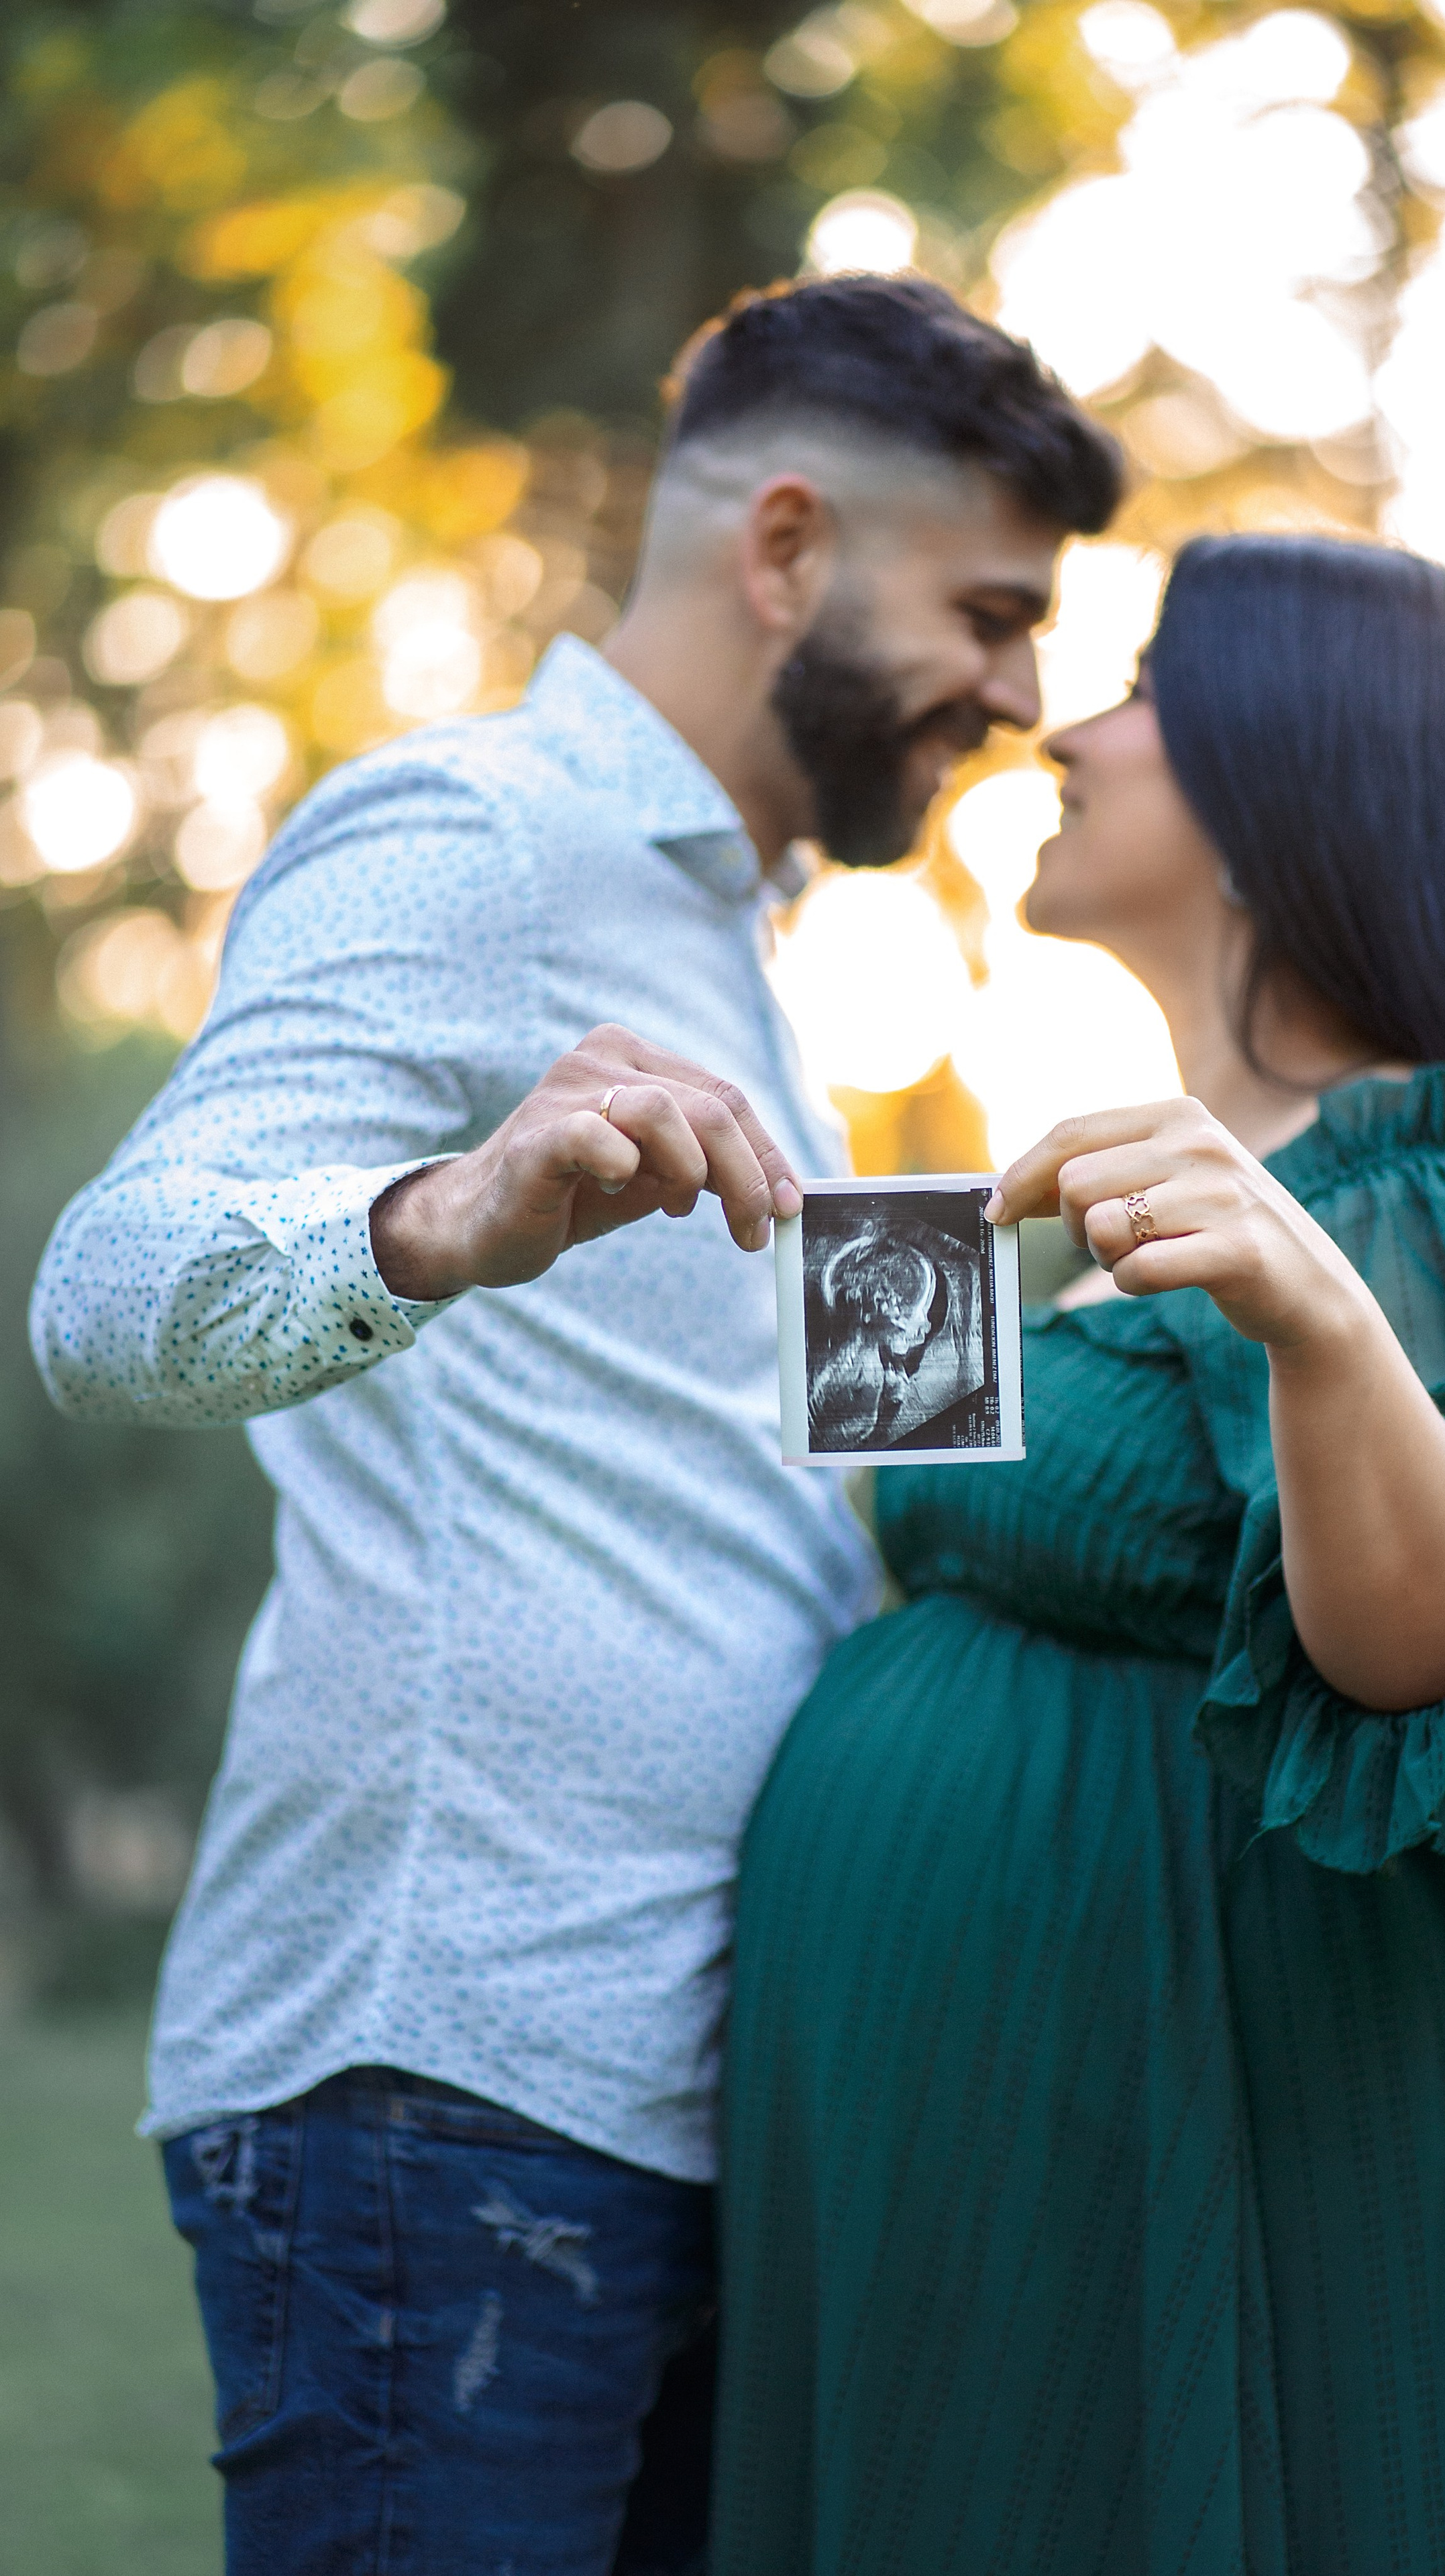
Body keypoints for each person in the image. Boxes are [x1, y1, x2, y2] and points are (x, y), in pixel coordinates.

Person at [28, 274, 1122, 2576]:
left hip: (695, 2091)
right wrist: (435, 1217)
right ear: (790, 546)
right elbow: (108, 1293)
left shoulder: (756, 960)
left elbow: (800, 1512)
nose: (1024, 698)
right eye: (994, 614)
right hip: (454, 2091)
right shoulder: (472, 832)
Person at [713, 534, 1445, 2575]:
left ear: (1297, 771)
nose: (1066, 731)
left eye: (1146, 688)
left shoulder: (1421, 1186)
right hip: (995, 2161)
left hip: (1240, 2145)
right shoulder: (1135, 1205)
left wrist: (1322, 1319)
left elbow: (1432, 1652)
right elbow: (923, 1545)